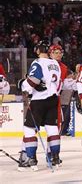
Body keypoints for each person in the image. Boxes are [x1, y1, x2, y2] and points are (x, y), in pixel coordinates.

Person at [18, 40, 62, 171]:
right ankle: (55, 158)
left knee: (29, 129)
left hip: (39, 101)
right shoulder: (55, 64)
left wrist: (23, 85)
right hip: (53, 100)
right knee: (52, 128)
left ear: (38, 50)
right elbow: (57, 83)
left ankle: (31, 159)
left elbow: (34, 81)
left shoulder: (37, 63)